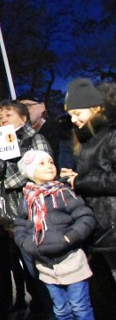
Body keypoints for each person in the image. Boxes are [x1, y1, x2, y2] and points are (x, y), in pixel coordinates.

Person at [15, 150, 100, 320]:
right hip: (46, 263)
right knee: (60, 307)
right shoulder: (28, 198)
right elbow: (21, 227)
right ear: (31, 172)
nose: (49, 165)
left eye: (50, 161)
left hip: (71, 259)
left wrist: (69, 237)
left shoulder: (64, 193)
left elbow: (85, 217)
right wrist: (27, 245)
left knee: (80, 305)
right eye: (41, 163)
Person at [0, 100, 58, 320]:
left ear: (23, 117)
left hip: (40, 216)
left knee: (48, 273)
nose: (3, 120)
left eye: (8, 115)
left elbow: (39, 171)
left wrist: (5, 172)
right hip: (20, 218)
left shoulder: (34, 139)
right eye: (0, 118)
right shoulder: (1, 146)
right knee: (34, 274)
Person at [61, 79, 116, 278]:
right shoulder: (89, 139)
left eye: (77, 113)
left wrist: (80, 181)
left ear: (97, 108)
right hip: (104, 227)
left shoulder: (111, 135)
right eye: (70, 115)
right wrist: (77, 177)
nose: (74, 120)